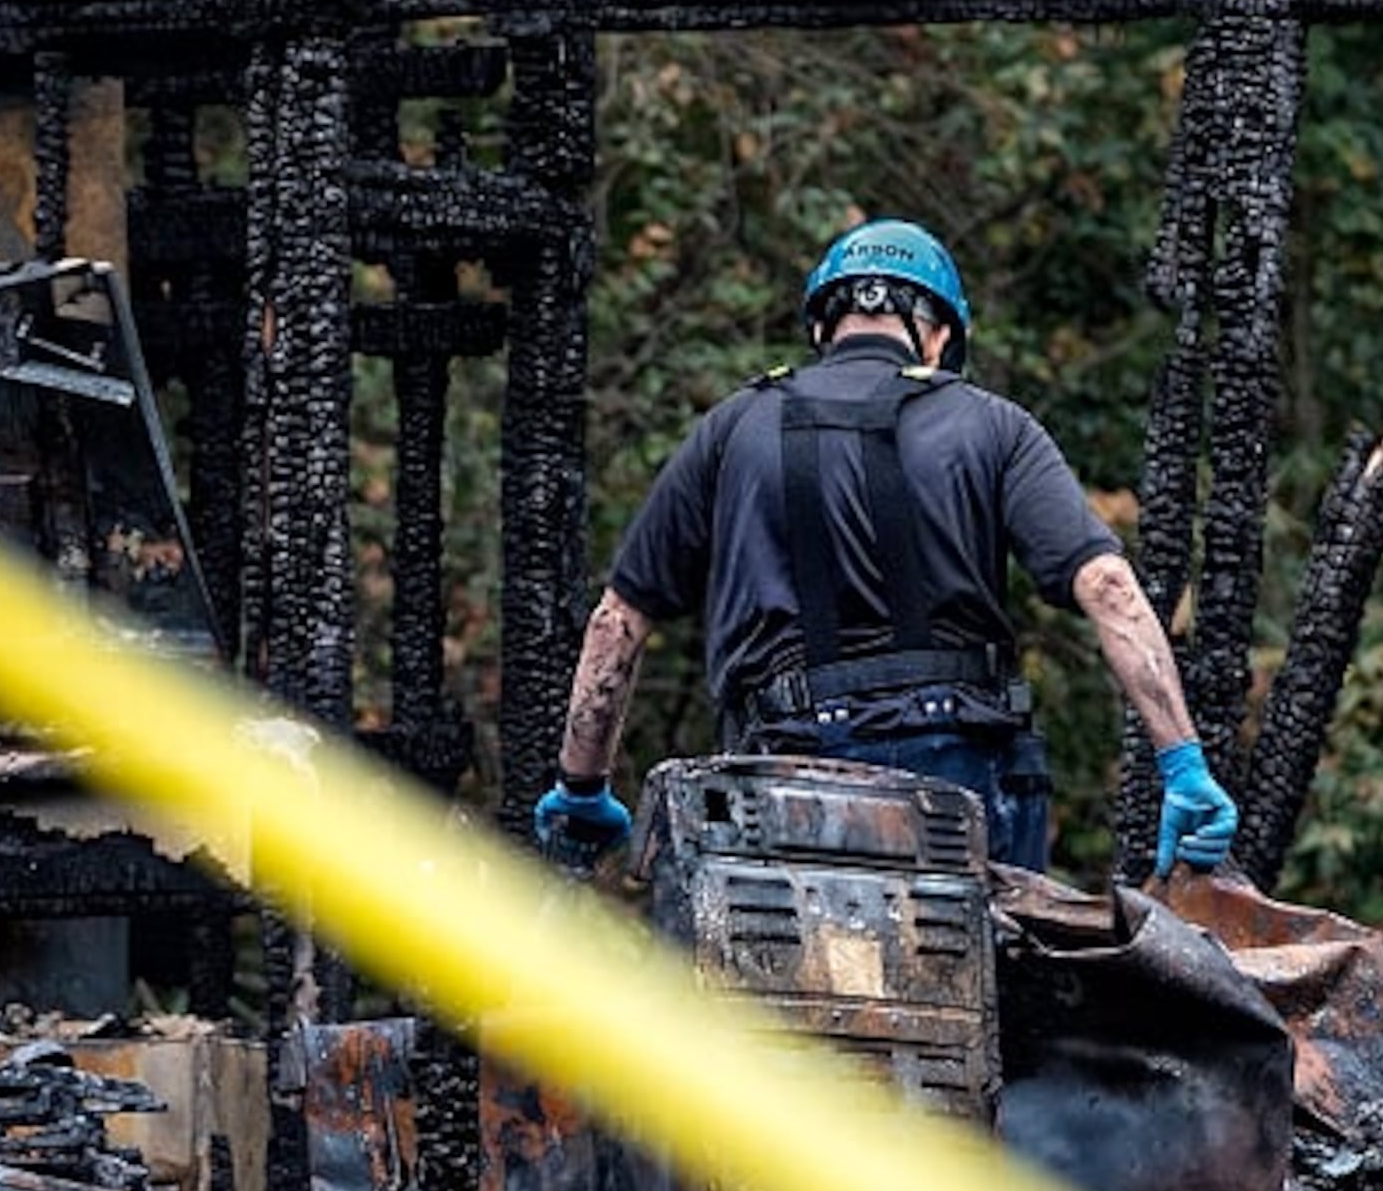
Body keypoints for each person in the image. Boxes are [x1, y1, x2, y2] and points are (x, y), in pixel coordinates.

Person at [530, 218, 1236, 878]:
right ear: (937, 338)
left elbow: (616, 624)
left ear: (822, 325)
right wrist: (1183, 762)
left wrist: (582, 787)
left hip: (783, 783)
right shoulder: (995, 427)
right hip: (964, 791)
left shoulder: (732, 428)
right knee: (992, 997)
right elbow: (1109, 588)